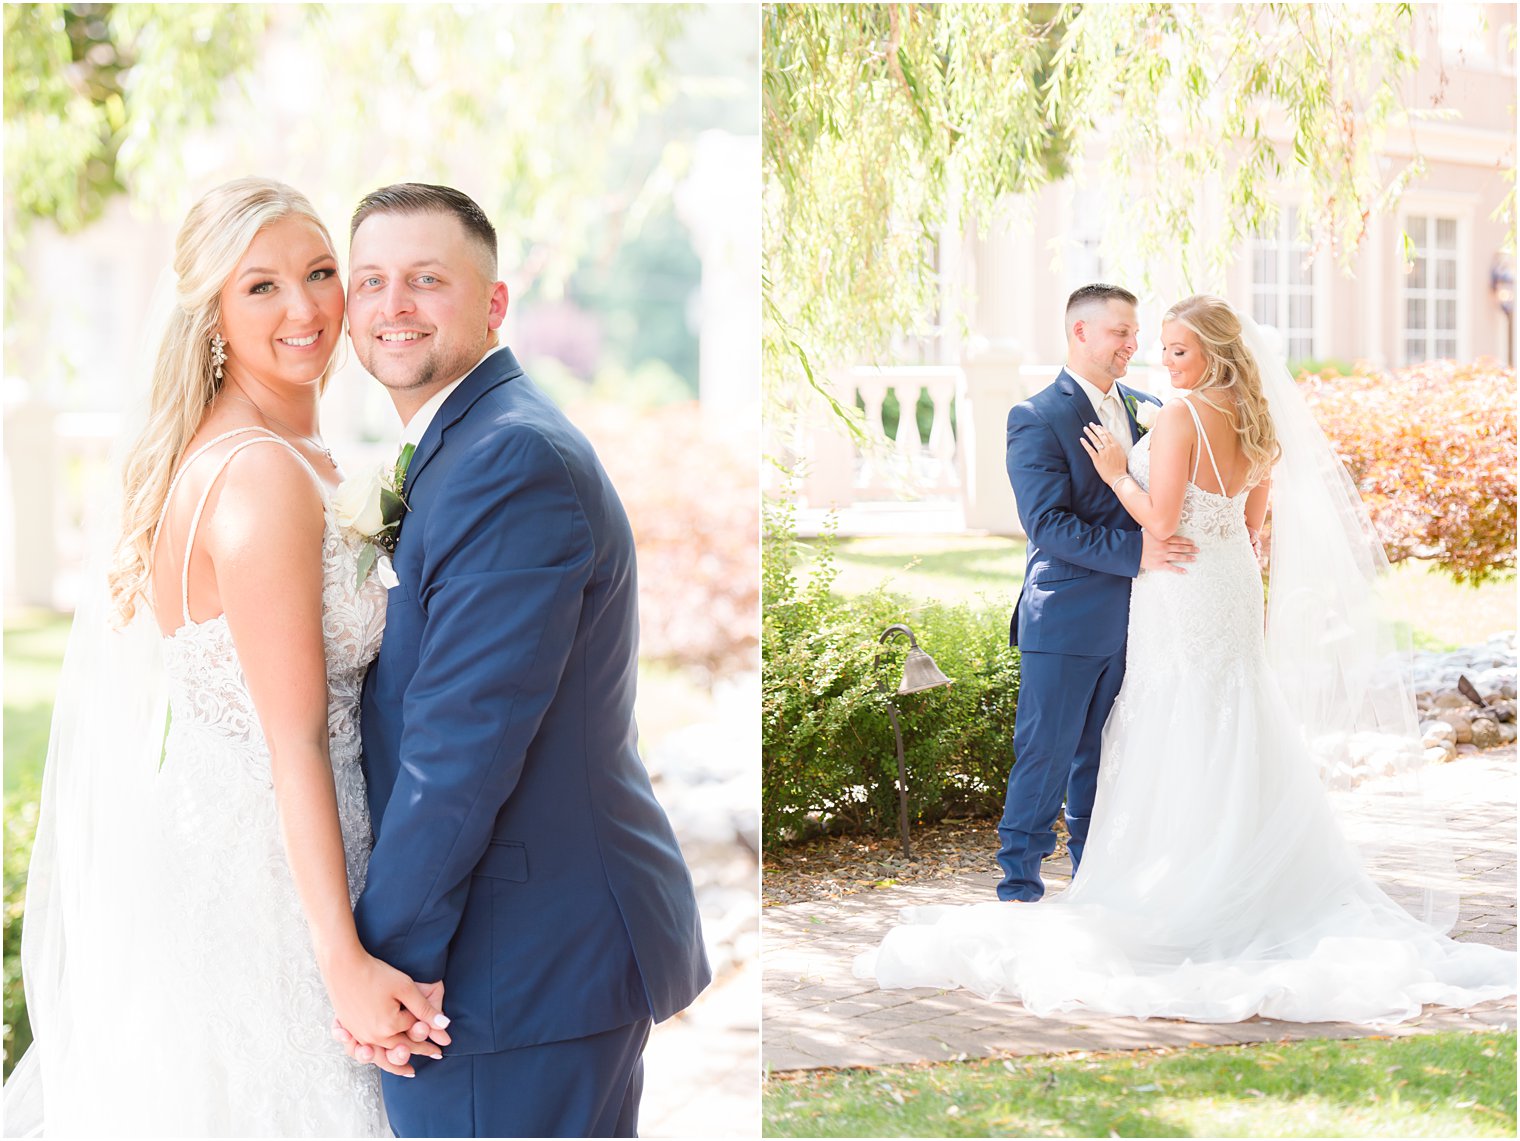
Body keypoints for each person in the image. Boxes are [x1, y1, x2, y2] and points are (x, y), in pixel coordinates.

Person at [855, 295, 1517, 1024]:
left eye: (1167, 344)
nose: (1147, 352)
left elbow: (1166, 516)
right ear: (1079, 332)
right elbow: (1062, 524)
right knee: (1092, 742)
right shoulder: (1050, 416)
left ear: (1210, 352)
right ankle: (1024, 890)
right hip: (1165, 592)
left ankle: (1135, 884)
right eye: (1133, 337)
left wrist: (1119, 477)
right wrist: (1157, 535)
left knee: (1157, 730)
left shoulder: (1165, 410)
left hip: (1177, 592)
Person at [7, 177, 446, 1137]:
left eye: (322, 273)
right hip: (273, 897)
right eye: (262, 287)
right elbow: (292, 739)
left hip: (241, 847)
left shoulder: (266, 452)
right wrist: (341, 963)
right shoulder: (257, 477)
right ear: (212, 313)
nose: (307, 308)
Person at [332, 183, 710, 1138]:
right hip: (519, 965)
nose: (393, 306)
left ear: (495, 304)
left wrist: (384, 970)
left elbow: (461, 748)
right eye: (370, 281)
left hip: (508, 969)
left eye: (426, 279)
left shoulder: (511, 463)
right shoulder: (466, 444)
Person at [997, 283, 1197, 902]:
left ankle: (1094, 881)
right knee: (1045, 754)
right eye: (1120, 332)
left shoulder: (1150, 407)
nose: (1133, 345)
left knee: (1107, 757)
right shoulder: (1036, 417)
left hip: (1143, 619)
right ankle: (1019, 884)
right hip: (1067, 616)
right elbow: (1047, 525)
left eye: (1135, 333)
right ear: (1079, 333)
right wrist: (1138, 553)